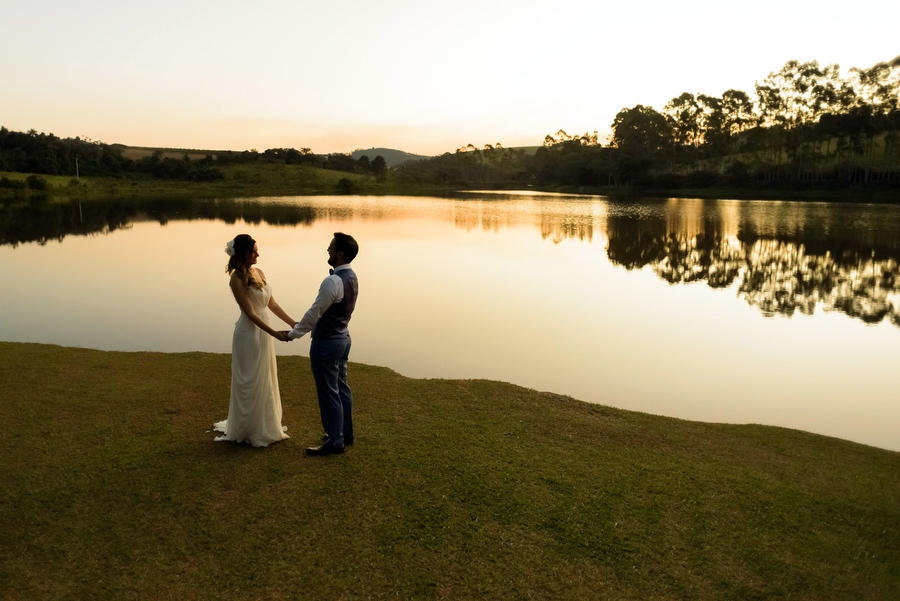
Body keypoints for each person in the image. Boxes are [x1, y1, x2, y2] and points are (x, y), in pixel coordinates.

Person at [213, 234, 295, 447]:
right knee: (249, 379)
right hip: (249, 335)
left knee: (265, 376)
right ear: (243, 253)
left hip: (263, 330)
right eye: (254, 250)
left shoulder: (259, 272)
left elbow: (272, 305)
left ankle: (265, 424)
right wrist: (275, 333)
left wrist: (294, 323)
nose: (258, 254)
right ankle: (247, 427)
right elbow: (250, 313)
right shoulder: (236, 279)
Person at [289, 232, 359, 456]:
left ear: (340, 254)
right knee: (341, 387)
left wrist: (293, 334)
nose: (327, 251)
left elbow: (314, 313)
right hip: (343, 338)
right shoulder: (352, 276)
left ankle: (335, 440)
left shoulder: (332, 281)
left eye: (331, 248)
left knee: (328, 391)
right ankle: (345, 433)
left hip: (327, 342)